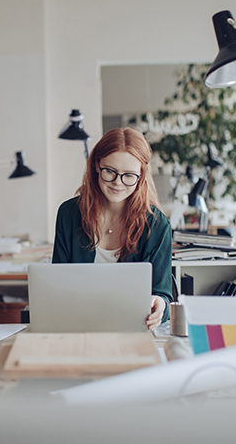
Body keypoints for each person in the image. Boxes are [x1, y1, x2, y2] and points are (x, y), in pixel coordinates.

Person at [52, 127, 172, 330]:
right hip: (77, 326)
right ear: (97, 165)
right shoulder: (68, 214)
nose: (118, 182)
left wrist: (160, 305)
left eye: (129, 175)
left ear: (141, 176)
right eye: (110, 171)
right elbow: (56, 285)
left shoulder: (157, 224)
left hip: (132, 328)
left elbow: (163, 295)